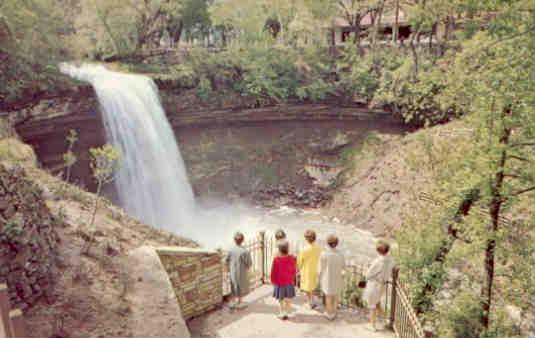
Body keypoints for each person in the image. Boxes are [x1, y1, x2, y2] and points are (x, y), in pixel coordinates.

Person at [363, 240, 395, 331]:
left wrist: (368, 268)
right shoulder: (391, 260)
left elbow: (368, 275)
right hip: (383, 285)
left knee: (372, 305)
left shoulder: (377, 261)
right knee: (377, 302)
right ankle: (386, 320)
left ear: (378, 251)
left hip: (374, 285)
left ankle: (372, 326)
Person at [319, 234, 345, 320]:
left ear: (327, 243)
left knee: (328, 296)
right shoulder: (340, 254)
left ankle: (329, 313)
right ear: (337, 243)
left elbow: (320, 267)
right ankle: (334, 312)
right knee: (336, 295)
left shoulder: (324, 254)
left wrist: (319, 276)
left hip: (327, 277)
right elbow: (343, 266)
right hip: (337, 277)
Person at [270, 239, 297, 320]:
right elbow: (293, 269)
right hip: (289, 282)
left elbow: (273, 271)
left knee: (281, 299)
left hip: (279, 283)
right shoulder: (291, 258)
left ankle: (282, 313)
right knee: (288, 298)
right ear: (287, 249)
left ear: (279, 249)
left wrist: (273, 280)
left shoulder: (276, 259)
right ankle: (287, 312)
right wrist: (292, 278)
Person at [226, 232, 252, 309]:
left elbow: (226, 260)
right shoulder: (245, 251)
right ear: (242, 240)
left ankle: (233, 302)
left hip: (233, 272)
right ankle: (240, 302)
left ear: (234, 240)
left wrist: (228, 269)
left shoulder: (231, 250)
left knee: (233, 285)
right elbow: (249, 263)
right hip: (242, 273)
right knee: (241, 286)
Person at [297, 229, 321, 309]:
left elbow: (299, 261)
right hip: (315, 270)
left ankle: (310, 303)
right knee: (313, 286)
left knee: (307, 287)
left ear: (306, 239)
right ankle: (313, 300)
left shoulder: (304, 250)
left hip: (306, 271)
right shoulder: (318, 248)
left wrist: (298, 269)